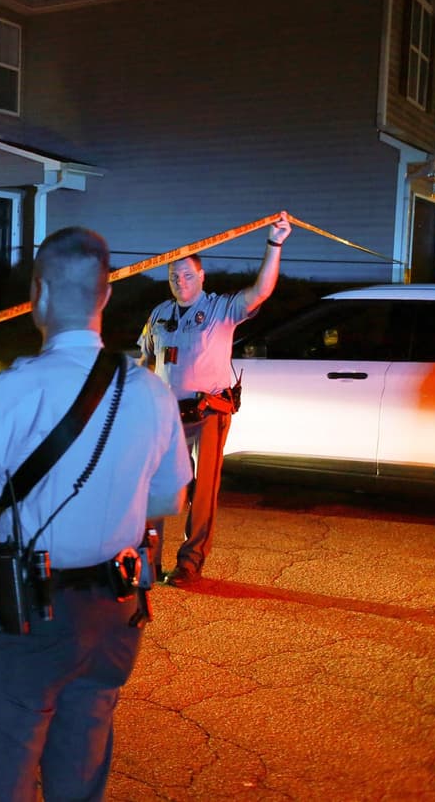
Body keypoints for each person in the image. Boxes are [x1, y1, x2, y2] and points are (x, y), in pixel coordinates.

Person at [0, 226, 191, 802]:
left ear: (37, 293)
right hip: (114, 614)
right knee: (80, 775)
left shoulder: (15, 390)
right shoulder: (151, 391)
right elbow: (169, 501)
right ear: (106, 295)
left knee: (3, 778)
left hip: (30, 616)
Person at [137, 212, 292, 588]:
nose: (180, 281)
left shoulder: (222, 310)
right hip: (165, 417)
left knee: (202, 493)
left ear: (202, 276)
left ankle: (190, 563)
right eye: (174, 275)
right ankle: (149, 562)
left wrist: (274, 244)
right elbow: (144, 361)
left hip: (207, 412)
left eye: (188, 275)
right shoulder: (159, 315)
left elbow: (261, 291)